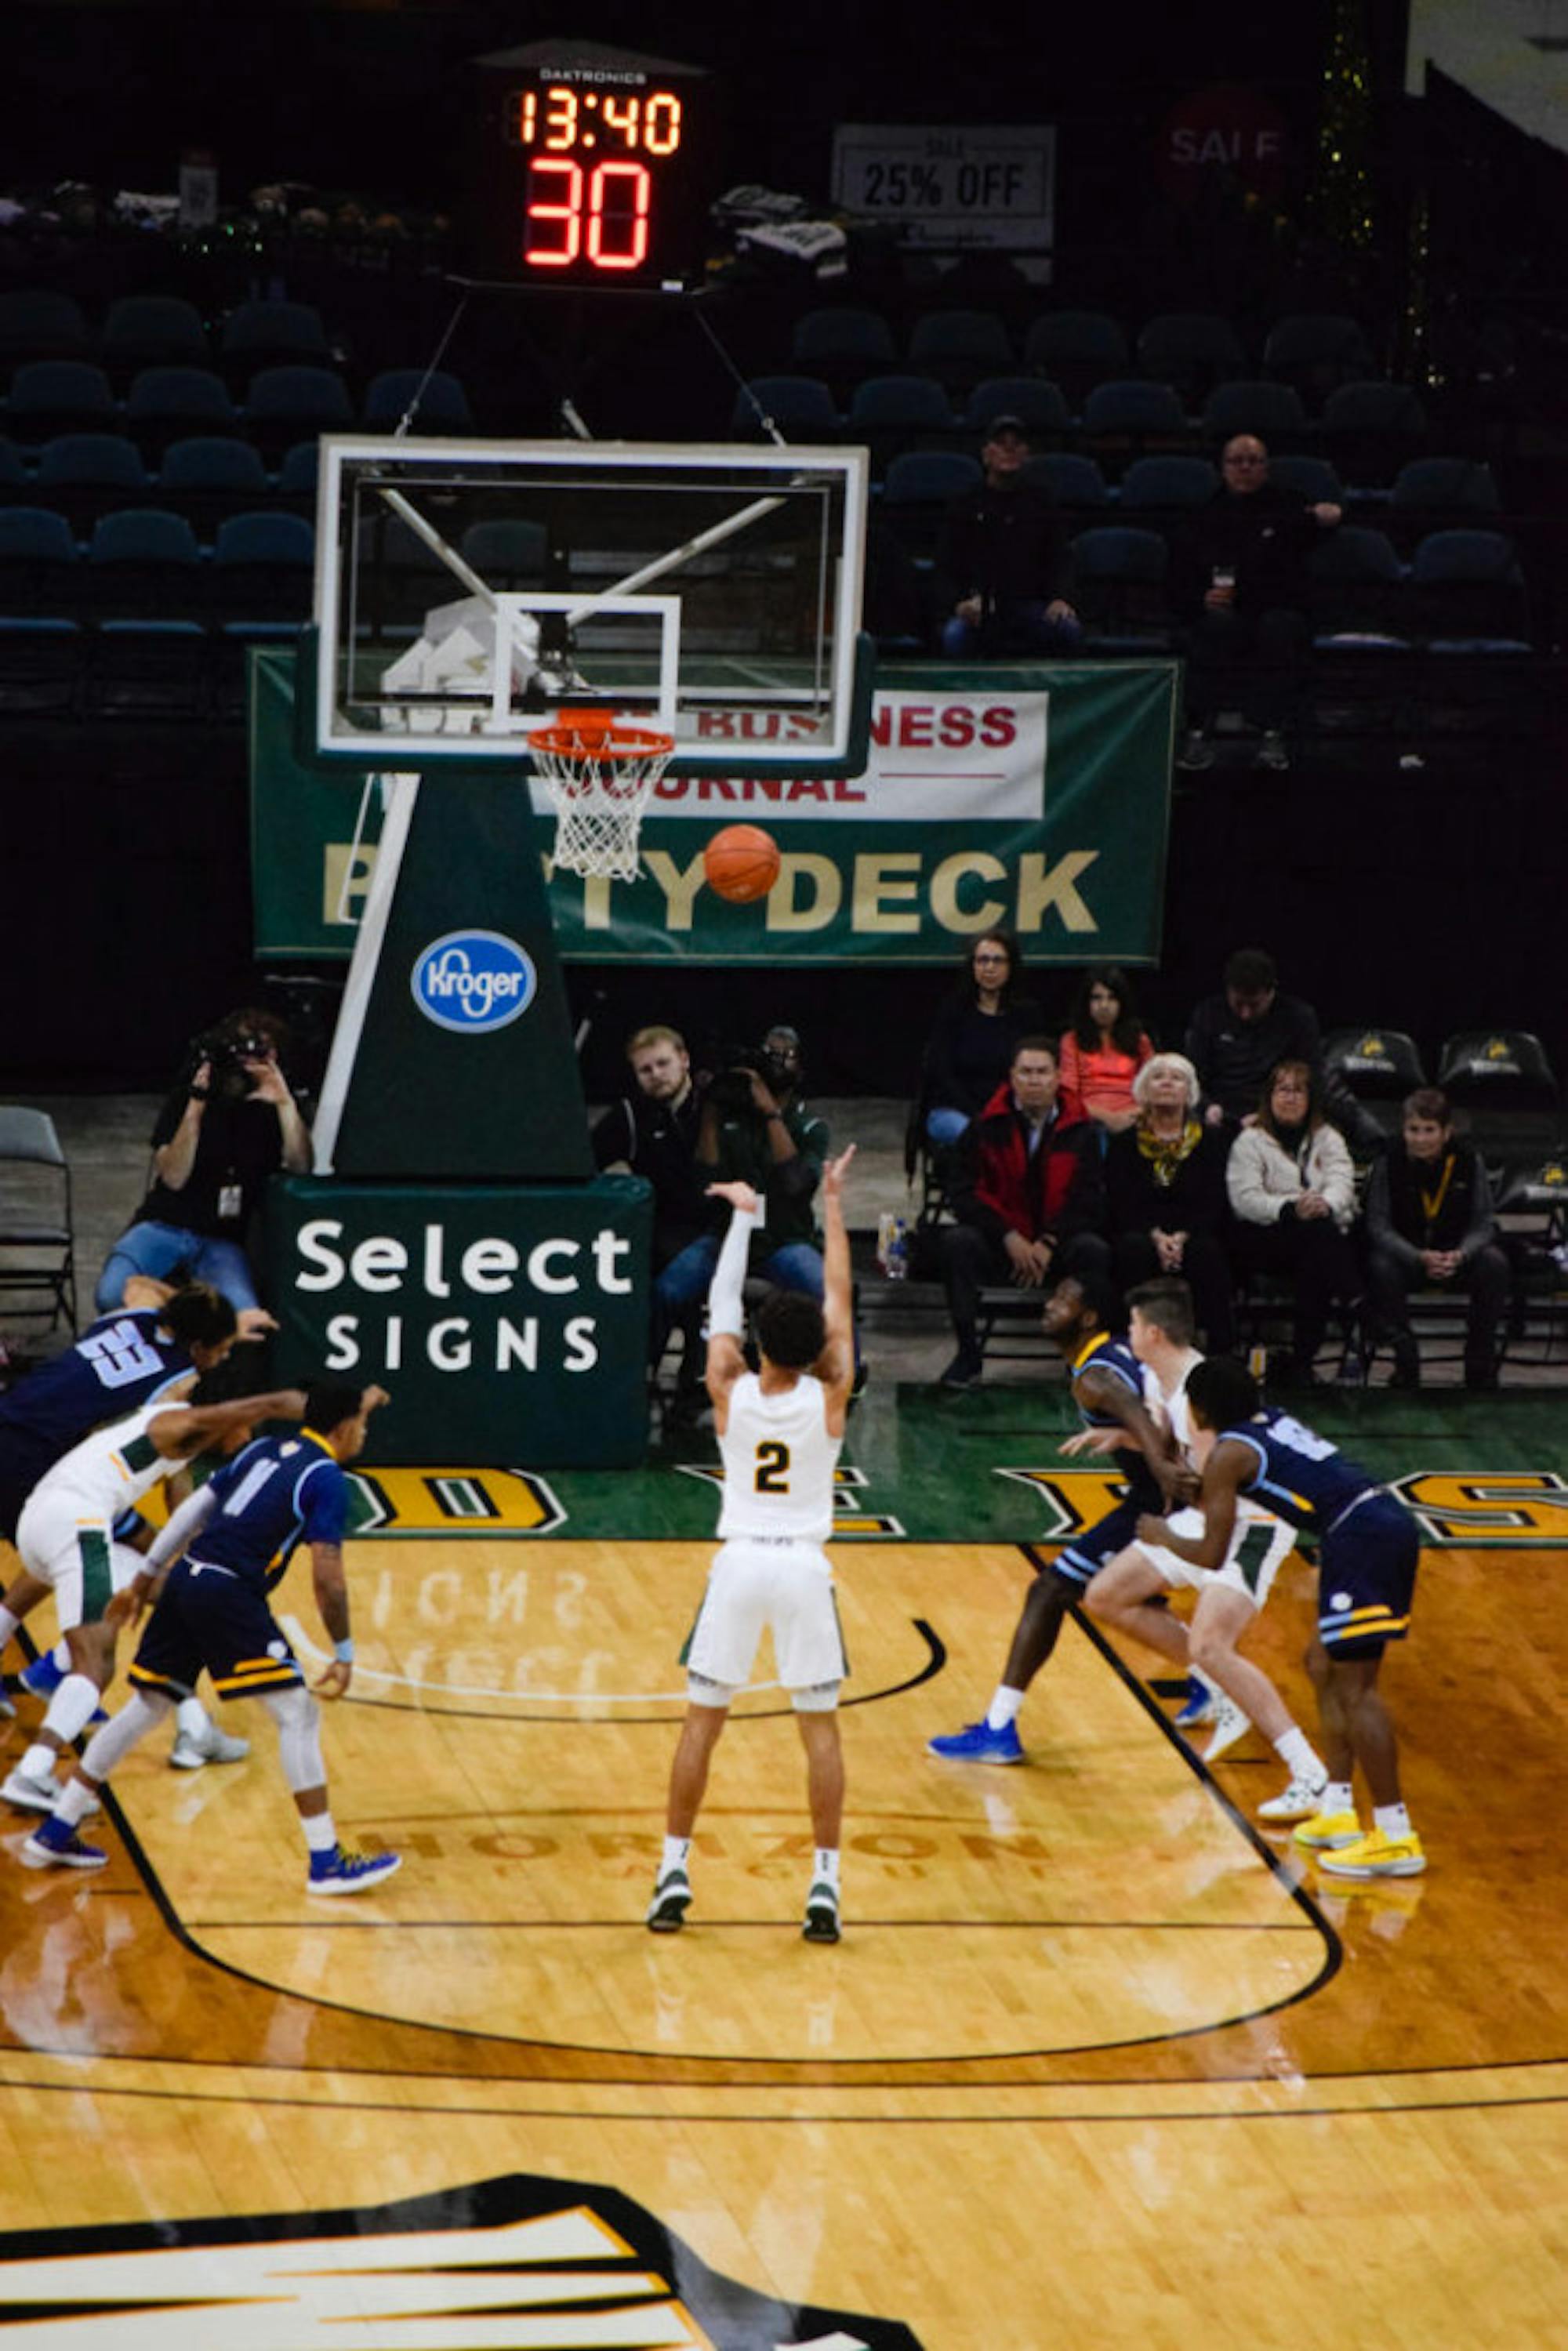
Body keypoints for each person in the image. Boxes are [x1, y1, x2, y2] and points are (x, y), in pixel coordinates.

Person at [23, 1382, 403, 1896]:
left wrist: (144, 1579)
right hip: (228, 1593)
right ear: (344, 1428)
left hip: (185, 1579)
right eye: (363, 1423)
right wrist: (344, 1649)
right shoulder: (326, 1477)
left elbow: (191, 1512)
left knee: (148, 1704)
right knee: (298, 1712)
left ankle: (56, 1828)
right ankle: (325, 1860)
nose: (366, 1433)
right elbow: (328, 1572)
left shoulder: (264, 1449)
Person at [646, 1146, 856, 1943]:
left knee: (700, 1723)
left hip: (737, 1563)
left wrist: (741, 1215)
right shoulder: (830, 1394)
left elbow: (722, 1300)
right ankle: (824, 1885)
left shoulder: (727, 1389)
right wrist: (831, 1204)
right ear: (815, 1352)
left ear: (757, 1345)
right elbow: (837, 1292)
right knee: (820, 1731)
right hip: (802, 1566)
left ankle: (673, 1866)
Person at [1135, 1355, 1426, 1879]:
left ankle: (1396, 1834)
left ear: (1199, 1410)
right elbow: (1262, 1483)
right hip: (1361, 1525)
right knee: (1320, 1662)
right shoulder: (1266, 1425)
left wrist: (1160, 1534)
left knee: (1358, 1687)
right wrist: (1193, 1487)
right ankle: (1338, 1810)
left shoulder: (1228, 1453)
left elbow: (1211, 1552)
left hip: (1364, 1534)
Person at [2, 1378, 308, 1816]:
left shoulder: (168, 1442)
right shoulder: (182, 1423)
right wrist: (301, 1405)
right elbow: (251, 1406)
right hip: (75, 1522)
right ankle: (34, 1769)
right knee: (97, 1662)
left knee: (177, 1598)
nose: (246, 1440)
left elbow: (169, 1522)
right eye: (243, 1428)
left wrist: (189, 1560)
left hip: (44, 1518)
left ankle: (192, 1726)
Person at [1083, 1279, 1329, 1820]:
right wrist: (1129, 1441)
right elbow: (1180, 1457)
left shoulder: (1201, 1383)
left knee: (1211, 1644)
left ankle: (1308, 1771)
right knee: (1105, 1595)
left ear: (1152, 1332)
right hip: (1212, 1510)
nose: (1126, 1336)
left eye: (1131, 1327)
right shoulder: (1158, 1378)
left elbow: (1213, 1479)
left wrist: (1168, 1516)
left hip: (1253, 1521)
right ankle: (1220, 1690)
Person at [927, 1270, 1191, 1762]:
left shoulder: (1096, 1376)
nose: (1050, 1305)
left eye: (1065, 1300)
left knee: (1050, 1589)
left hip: (1161, 1500)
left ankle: (999, 1728)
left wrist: (1167, 1474)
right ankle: (1207, 1679)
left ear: (1088, 1317)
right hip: (1159, 1494)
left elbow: (1141, 1419)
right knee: (1137, 1596)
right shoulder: (1109, 1353)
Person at [0, 1279, 262, 1765]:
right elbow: (169, 1469)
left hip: (13, 1425)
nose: (224, 1358)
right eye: (222, 1349)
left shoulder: (133, 1316)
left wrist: (215, 1310)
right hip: (39, 1465)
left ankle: (54, 1673)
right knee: (166, 1586)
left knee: (47, 1565)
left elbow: (139, 1284)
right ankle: (186, 1722)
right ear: (199, 1347)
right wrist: (187, 1539)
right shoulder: (178, 1388)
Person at [96, 1007, 312, 1317]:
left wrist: (284, 1103)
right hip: (165, 1225)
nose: (250, 1063)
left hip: (222, 1239)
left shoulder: (276, 1110)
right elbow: (173, 1177)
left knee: (243, 1314)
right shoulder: (190, 1097)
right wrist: (196, 1107)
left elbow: (302, 1164)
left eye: (261, 1052)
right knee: (112, 1295)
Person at [655, 1026, 850, 1365]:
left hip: (783, 1241)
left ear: (800, 1071)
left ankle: (849, 1373)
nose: (777, 1063)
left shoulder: (809, 1127)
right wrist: (712, 1113)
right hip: (724, 1236)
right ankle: (641, 1374)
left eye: (786, 1056)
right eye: (770, 1055)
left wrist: (768, 1111)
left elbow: (795, 1187)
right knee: (666, 1291)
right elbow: (704, 1185)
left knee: (831, 1292)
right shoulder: (729, 1118)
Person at [936, 1036, 1110, 1390]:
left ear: (1058, 1077)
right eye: (1026, 1072)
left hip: (1057, 1246)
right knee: (957, 1242)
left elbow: (1088, 1198)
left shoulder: (1082, 1130)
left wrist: (1048, 1241)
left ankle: (1083, 1356)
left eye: (1043, 1072)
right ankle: (967, 1355)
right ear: (1012, 1078)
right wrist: (1008, 1236)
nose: (1034, 1081)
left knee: (1095, 1250)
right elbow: (964, 1194)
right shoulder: (985, 1126)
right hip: (1002, 1243)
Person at [1171, 432, 1341, 773]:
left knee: (1281, 630)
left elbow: (1323, 524)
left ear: (1266, 468)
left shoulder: (1289, 506)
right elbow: (1179, 578)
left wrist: (1328, 514)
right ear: (1223, 469)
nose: (1245, 468)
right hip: (1224, 612)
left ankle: (1272, 733)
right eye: (1237, 461)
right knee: (1212, 629)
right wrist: (1201, 597)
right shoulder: (1205, 515)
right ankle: (1198, 733)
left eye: (1254, 461)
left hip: (1277, 609)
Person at [1363, 1087, 1512, 1391]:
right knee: (1379, 1265)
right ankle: (1406, 1358)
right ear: (1403, 1130)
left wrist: (1461, 1254)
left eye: (1429, 1130)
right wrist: (1417, 1256)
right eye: (1413, 1130)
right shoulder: (1388, 1161)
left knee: (1494, 1264)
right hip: (1408, 1258)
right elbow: (1378, 1225)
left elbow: (1484, 1223)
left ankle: (1480, 1363)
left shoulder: (1469, 1161)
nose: (1420, 1139)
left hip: (1456, 1257)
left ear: (1446, 1132)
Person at [1227, 1059, 1362, 1384]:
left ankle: (1302, 1360)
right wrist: (1291, 1208)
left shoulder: (1328, 1138)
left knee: (1316, 1252)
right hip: (1265, 1236)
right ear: (1270, 1097)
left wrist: (1324, 1204)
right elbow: (1245, 1199)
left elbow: (1342, 1181)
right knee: (1320, 1239)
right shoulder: (1250, 1140)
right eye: (1282, 1090)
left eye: (1298, 1091)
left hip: (1315, 1236)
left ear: (1311, 1098)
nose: (1290, 1098)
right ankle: (1355, 1304)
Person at [593, 1023, 708, 1391]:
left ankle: (692, 1366)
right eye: (646, 1070)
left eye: (663, 1064)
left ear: (684, 1060)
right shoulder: (629, 1115)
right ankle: (645, 1371)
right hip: (665, 1230)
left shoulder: (715, 1107)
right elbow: (584, 1163)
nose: (656, 1075)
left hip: (722, 1228)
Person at [1105, 1051, 1236, 1350]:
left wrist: (1180, 1237)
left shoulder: (1212, 1142)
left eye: (1176, 1078)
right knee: (1131, 1249)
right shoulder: (1124, 1143)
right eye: (1158, 1077)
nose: (1167, 1083)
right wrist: (1155, 1237)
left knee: (1207, 1252)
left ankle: (1218, 1353)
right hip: (1140, 1232)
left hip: (1194, 1233)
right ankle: (1126, 1347)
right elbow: (1121, 1201)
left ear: (1189, 1092)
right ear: (1143, 1091)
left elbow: (1213, 1201)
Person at [932, 415, 1081, 659]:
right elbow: (945, 565)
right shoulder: (965, 505)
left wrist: (1061, 599)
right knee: (954, 636)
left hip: (1031, 606)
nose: (1009, 448)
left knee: (1067, 630)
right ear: (986, 454)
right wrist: (959, 605)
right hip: (980, 608)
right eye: (1001, 442)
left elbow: (1061, 559)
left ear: (1026, 454)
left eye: (1016, 443)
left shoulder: (1043, 503)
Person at [916, 928, 1044, 1152]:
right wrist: (979, 1115)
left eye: (998, 961)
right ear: (973, 966)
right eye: (983, 960)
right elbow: (941, 1072)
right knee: (977, 1137)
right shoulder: (953, 1011)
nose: (990, 968)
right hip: (955, 1110)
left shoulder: (1027, 1015)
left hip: (1012, 1110)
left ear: (1010, 967)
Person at [1183, 949, 1323, 1132]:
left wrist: (1270, 1115)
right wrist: (1206, 1107)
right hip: (1217, 1116)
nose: (1245, 1014)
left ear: (1271, 993)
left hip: (1274, 1117)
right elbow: (1192, 1076)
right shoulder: (1208, 1014)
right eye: (1238, 1004)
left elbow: (1309, 1078)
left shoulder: (1298, 1018)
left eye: (1254, 1005)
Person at [1056, 966, 1155, 1137]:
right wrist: (1109, 1118)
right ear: (1087, 1003)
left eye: (1112, 998)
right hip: (1087, 1120)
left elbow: (1154, 1087)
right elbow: (1068, 1095)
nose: (1104, 1005)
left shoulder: (1140, 1040)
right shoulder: (1071, 1041)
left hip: (1135, 1119)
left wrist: (1132, 1115)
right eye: (1097, 998)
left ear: (1122, 1003)